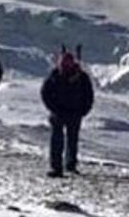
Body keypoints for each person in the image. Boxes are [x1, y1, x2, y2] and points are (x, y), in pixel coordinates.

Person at [41, 50, 95, 178]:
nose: (64, 66)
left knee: (72, 140)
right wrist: (52, 108)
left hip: (74, 114)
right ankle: (56, 167)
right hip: (58, 114)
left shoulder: (81, 77)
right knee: (57, 141)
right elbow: (45, 92)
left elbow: (89, 95)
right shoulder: (55, 75)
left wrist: (83, 110)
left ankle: (70, 165)